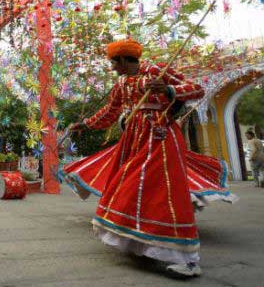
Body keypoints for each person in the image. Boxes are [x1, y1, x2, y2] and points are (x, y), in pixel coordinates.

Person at [63, 38, 237, 278]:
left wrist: (168, 90)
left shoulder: (155, 71)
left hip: (160, 137)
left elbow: (197, 89)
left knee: (163, 193)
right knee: (131, 189)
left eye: (114, 62)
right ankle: (143, 245)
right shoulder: (122, 83)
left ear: (124, 59)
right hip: (133, 142)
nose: (112, 68)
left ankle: (187, 259)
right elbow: (110, 112)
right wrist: (85, 124)